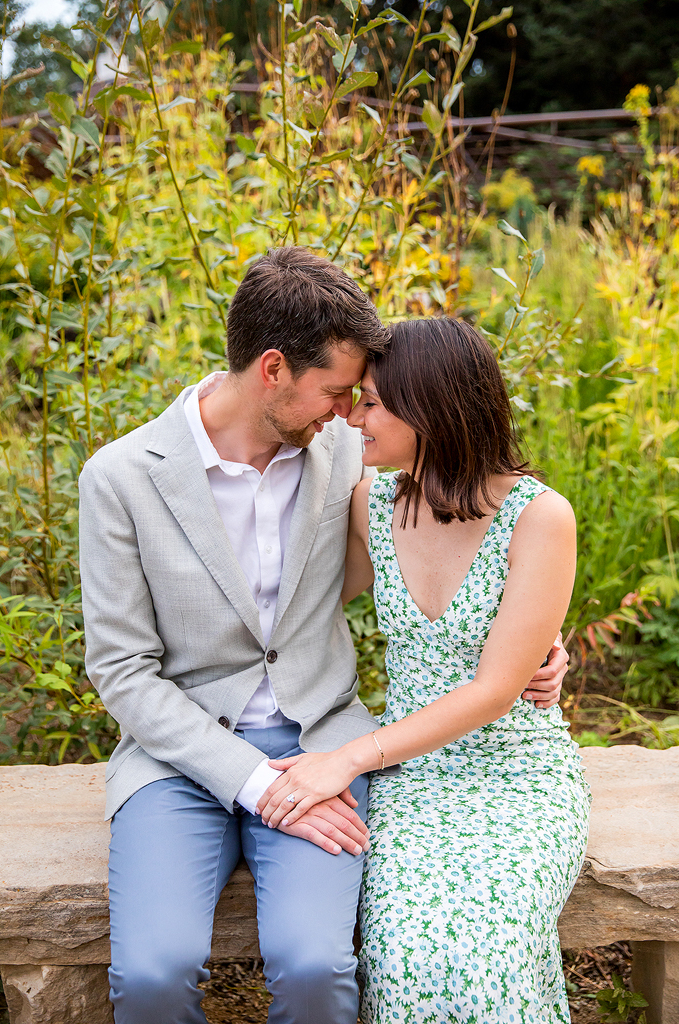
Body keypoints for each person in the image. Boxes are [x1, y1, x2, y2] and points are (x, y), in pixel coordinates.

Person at [78, 250, 568, 1024]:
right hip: (178, 758)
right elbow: (122, 669)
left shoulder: (351, 452)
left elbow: (472, 530)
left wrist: (538, 645)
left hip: (321, 740)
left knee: (315, 967)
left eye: (357, 399)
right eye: (338, 393)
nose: (347, 412)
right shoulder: (121, 477)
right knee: (151, 974)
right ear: (273, 368)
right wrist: (260, 782)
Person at [257, 316, 591, 1023]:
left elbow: (497, 689)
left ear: (433, 406)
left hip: (515, 771)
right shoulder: (370, 504)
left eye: (372, 401)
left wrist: (346, 759)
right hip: (414, 774)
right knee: (404, 944)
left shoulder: (539, 517)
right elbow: (296, 612)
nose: (354, 417)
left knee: (491, 951)